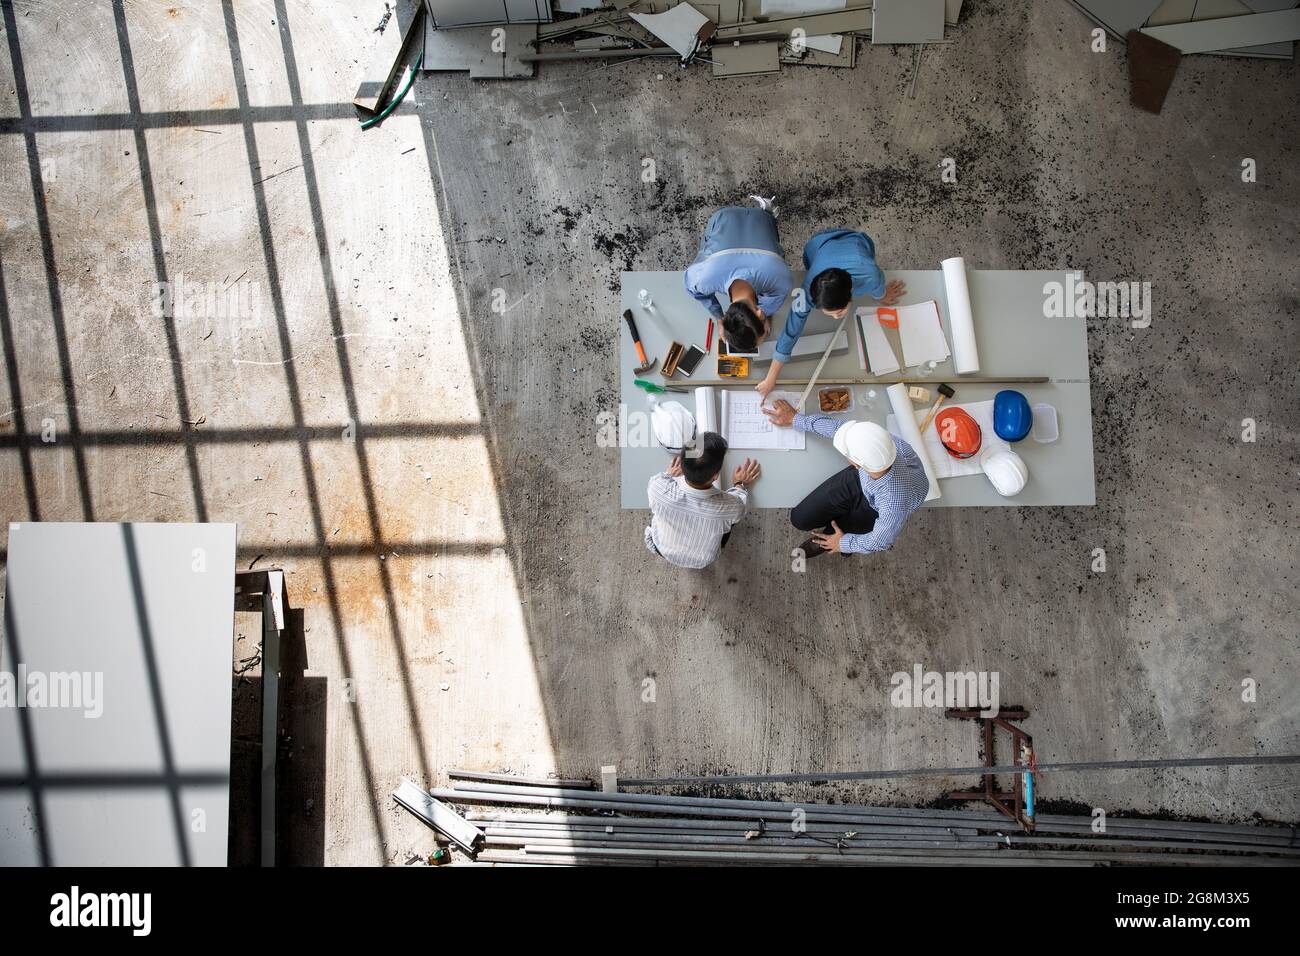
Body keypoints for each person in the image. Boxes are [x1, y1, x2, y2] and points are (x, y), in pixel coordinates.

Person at [761, 400, 927, 558]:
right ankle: (841, 526)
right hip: (863, 480)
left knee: (837, 536)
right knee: (799, 519)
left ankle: (837, 539)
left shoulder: (893, 505)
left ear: (856, 463)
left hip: (876, 510)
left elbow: (881, 540)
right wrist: (795, 419)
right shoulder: (887, 444)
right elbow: (837, 428)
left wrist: (843, 544)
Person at [755, 228, 907, 400]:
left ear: (851, 292)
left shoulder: (868, 274)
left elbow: (878, 282)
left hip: (854, 242)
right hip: (820, 244)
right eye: (830, 313)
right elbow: (791, 331)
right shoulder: (805, 292)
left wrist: (882, 295)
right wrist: (770, 378)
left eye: (840, 311)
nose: (836, 318)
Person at [684, 200, 793, 355]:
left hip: (752, 219)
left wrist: (719, 316)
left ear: (760, 314)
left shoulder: (781, 280)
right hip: (723, 217)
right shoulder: (704, 279)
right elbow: (689, 284)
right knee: (707, 253)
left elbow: (769, 306)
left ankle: (767, 213)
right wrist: (720, 318)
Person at [645, 432, 761, 570]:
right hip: (701, 560)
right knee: (729, 521)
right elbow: (741, 505)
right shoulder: (729, 507)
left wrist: (669, 474)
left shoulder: (657, 488)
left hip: (663, 549)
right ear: (715, 476)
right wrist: (739, 483)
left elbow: (662, 479)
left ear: (682, 465)